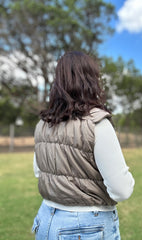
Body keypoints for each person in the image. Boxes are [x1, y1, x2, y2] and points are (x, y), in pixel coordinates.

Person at [32, 51, 135, 240]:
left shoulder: (43, 124)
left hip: (46, 219)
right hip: (87, 227)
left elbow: (39, 172)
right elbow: (122, 190)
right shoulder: (97, 123)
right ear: (91, 80)